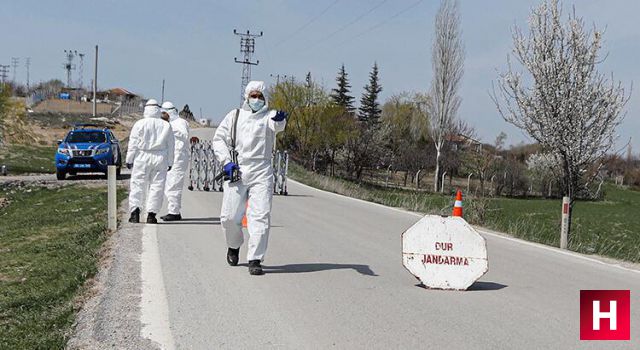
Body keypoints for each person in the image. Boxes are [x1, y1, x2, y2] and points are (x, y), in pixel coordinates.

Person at [212, 81, 287, 275]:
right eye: (253, 95)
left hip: (262, 170)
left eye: (260, 96)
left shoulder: (269, 116)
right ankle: (233, 245)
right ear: (247, 96)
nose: (256, 99)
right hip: (237, 169)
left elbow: (277, 126)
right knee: (229, 216)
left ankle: (255, 258)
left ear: (265, 98)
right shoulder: (235, 116)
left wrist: (280, 119)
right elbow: (219, 139)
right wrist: (226, 162)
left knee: (259, 215)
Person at [126, 99, 175, 224]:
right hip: (160, 158)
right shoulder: (166, 125)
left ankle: (135, 212)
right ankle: (151, 215)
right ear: (158, 109)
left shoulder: (139, 124)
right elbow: (171, 145)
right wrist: (170, 162)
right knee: (157, 186)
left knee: (137, 184)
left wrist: (129, 159)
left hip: (142, 156)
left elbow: (133, 143)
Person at [160, 101, 190, 221]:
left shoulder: (180, 122)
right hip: (172, 158)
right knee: (169, 185)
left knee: (174, 185)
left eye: (163, 113)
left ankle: (174, 212)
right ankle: (172, 210)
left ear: (168, 113)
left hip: (179, 158)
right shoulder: (171, 123)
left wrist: (170, 128)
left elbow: (184, 135)